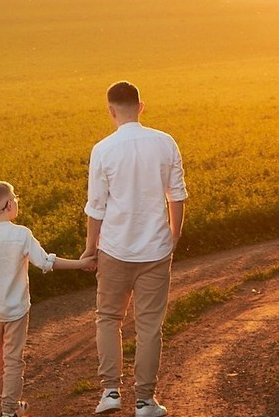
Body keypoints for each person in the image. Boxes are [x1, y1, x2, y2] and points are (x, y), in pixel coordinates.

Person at [80, 81, 188, 417]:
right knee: (149, 326)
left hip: (114, 248)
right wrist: (173, 237)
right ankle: (145, 401)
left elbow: (96, 206)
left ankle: (110, 392)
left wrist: (90, 250)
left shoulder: (103, 149)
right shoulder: (165, 142)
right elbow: (178, 195)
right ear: (141, 106)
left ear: (111, 110)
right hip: (155, 249)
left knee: (108, 319)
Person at [0, 180, 90, 417]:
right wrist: (81, 263)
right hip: (17, 310)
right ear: (9, 204)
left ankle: (7, 403)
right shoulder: (22, 234)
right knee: (13, 360)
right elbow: (45, 262)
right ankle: (9, 408)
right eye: (16, 197)